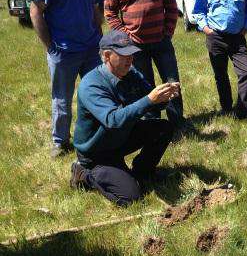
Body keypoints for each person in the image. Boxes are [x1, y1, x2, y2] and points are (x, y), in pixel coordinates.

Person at [71, 30, 179, 207]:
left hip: (120, 138)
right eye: (124, 55)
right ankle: (84, 174)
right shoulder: (91, 84)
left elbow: (148, 102)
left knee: (163, 128)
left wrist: (164, 97)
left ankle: (143, 172)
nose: (130, 59)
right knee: (131, 197)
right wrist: (150, 99)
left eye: (131, 54)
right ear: (107, 56)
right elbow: (113, 120)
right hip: (97, 153)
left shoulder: (132, 73)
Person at [30, 0, 108, 158]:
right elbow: (36, 10)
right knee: (62, 99)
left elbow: (96, 9)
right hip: (63, 51)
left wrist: (99, 37)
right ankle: (60, 141)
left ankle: (95, 135)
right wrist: (50, 46)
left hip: (91, 48)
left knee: (96, 93)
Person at [104, 0, 188, 132]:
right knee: (145, 85)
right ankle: (153, 124)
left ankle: (177, 122)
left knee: (171, 81)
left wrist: (167, 32)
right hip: (134, 45)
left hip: (161, 42)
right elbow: (110, 13)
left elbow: (172, 7)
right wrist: (125, 37)